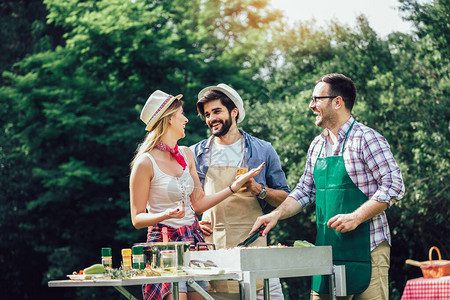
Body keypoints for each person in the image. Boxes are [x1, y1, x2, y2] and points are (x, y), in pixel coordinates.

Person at [250, 73, 405, 299]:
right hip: (326, 250)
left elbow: (394, 186)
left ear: (337, 102)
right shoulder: (317, 145)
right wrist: (275, 215)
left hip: (368, 249)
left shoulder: (367, 139)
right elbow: (304, 190)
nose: (311, 105)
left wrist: (357, 216)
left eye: (316, 99)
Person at [129, 90, 264, 300]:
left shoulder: (186, 153)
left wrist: (233, 187)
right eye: (181, 114)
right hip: (164, 245)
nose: (186, 119)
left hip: (192, 241)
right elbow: (137, 219)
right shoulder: (145, 163)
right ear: (169, 119)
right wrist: (166, 214)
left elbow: (199, 204)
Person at [190, 83, 290, 299]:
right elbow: (183, 200)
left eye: (217, 111)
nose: (211, 119)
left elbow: (284, 198)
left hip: (254, 246)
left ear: (234, 112)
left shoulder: (263, 149)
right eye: (207, 114)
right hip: (211, 248)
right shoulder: (195, 154)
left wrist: (258, 189)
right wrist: (192, 222)